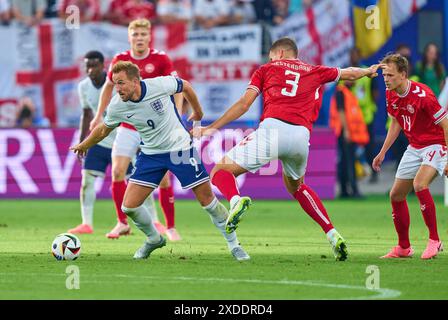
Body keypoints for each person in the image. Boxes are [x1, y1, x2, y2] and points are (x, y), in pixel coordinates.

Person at [194, 37, 380, 261]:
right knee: (297, 187)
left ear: (279, 54)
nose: (271, 59)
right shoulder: (314, 70)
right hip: (301, 137)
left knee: (220, 171)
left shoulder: (266, 69)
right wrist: (368, 71)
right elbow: (348, 73)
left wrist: (211, 128)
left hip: (273, 129)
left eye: (272, 56)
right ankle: (332, 234)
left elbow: (244, 104)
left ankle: (236, 201)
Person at [70, 61, 250, 261]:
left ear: (136, 81)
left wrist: (198, 112)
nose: (117, 89)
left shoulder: (160, 85)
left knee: (208, 201)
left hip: (180, 149)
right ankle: (154, 239)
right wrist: (85, 145)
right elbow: (103, 129)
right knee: (129, 206)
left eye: (121, 83)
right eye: (115, 83)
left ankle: (234, 245)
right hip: (151, 154)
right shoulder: (117, 105)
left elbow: (186, 85)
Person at [89, 18, 182, 241]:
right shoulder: (121, 59)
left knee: (164, 178)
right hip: (129, 125)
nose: (139, 38)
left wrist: (177, 115)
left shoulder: (160, 59)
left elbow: (177, 88)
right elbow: (108, 87)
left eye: (143, 34)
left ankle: (170, 227)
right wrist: (98, 115)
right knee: (118, 171)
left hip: (157, 127)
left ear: (149, 36)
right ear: (129, 37)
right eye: (135, 34)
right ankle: (122, 223)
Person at [373, 53, 448, 259]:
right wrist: (383, 152)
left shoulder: (423, 95)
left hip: (435, 143)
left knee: (420, 184)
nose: (386, 79)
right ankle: (404, 247)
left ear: (403, 75)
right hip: (414, 146)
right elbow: (396, 122)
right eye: (384, 75)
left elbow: (445, 124)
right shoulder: (391, 94)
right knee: (396, 195)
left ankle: (434, 240)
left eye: (390, 74)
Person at [67, 51, 138, 235]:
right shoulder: (83, 86)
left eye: (94, 65)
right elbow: (86, 114)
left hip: (122, 139)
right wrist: (82, 140)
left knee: (136, 183)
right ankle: (86, 223)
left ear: (102, 66)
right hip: (98, 140)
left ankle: (151, 221)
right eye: (87, 65)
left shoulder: (117, 83)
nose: (90, 69)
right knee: (87, 181)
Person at [330, 80, 369, 198]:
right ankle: (353, 190)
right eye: (351, 78)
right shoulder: (341, 92)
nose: (354, 81)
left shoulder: (345, 92)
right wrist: (346, 131)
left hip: (346, 132)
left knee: (344, 162)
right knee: (349, 162)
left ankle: (344, 191)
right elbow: (341, 112)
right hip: (345, 132)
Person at [348, 47, 379, 183]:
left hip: (366, 116)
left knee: (369, 147)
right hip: (351, 118)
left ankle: (374, 172)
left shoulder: (367, 72)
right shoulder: (346, 73)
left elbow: (375, 92)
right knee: (350, 148)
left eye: (356, 54)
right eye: (352, 55)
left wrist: (372, 105)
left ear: (360, 56)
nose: (354, 57)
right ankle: (353, 175)